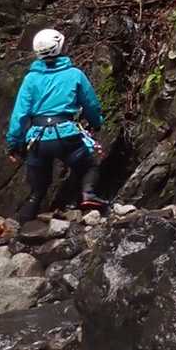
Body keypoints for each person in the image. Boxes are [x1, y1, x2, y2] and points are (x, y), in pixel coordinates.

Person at [6, 28, 105, 222]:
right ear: (59, 47)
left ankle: (23, 223)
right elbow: (91, 105)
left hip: (38, 140)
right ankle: (87, 194)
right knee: (88, 166)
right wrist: (96, 123)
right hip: (66, 135)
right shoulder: (75, 74)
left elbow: (20, 115)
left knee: (38, 189)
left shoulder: (30, 79)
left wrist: (13, 144)